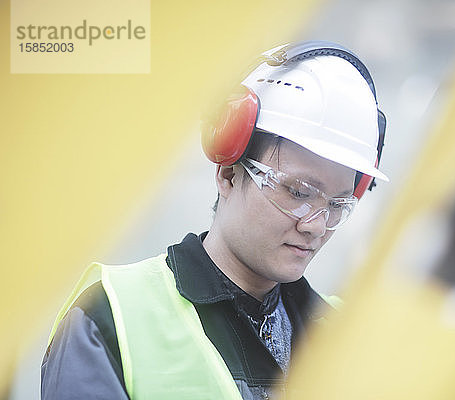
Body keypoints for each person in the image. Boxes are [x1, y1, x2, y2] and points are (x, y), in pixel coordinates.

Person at [40, 41, 388, 400]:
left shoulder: (348, 336)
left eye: (337, 204)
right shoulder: (112, 318)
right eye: (298, 193)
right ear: (228, 173)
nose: (315, 225)